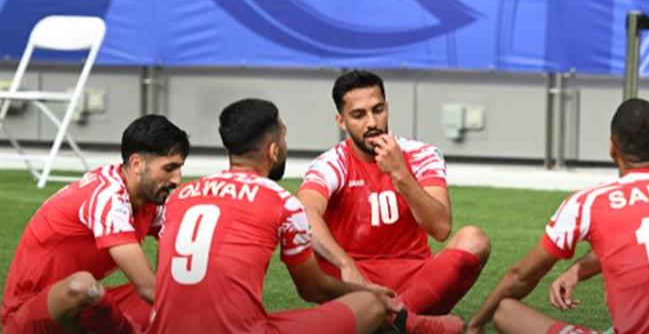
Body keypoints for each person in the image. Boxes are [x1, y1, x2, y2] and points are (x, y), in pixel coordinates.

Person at [150, 98, 453, 334]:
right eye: (284, 137)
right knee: (368, 304)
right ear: (273, 151)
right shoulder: (282, 202)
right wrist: (369, 292)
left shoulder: (180, 196)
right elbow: (312, 289)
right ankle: (408, 321)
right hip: (243, 329)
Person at [467, 98, 649, 334]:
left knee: (505, 311)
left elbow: (520, 277)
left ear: (612, 148)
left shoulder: (589, 202)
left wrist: (476, 324)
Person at [297, 70, 490, 317]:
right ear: (341, 122)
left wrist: (400, 173)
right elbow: (304, 212)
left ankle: (389, 318)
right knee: (315, 253)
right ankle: (406, 320)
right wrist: (346, 264)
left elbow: (441, 228)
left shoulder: (421, 154)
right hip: (356, 277)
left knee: (475, 240)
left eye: (378, 110)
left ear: (387, 109)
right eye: (358, 115)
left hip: (415, 278)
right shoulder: (332, 162)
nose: (372, 123)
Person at [2, 115, 189, 333]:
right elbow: (147, 287)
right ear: (137, 164)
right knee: (83, 287)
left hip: (80, 311)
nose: (177, 179)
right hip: (30, 314)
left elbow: (179, 258)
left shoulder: (150, 200)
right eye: (169, 168)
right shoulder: (108, 198)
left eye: (179, 168)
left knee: (179, 290)